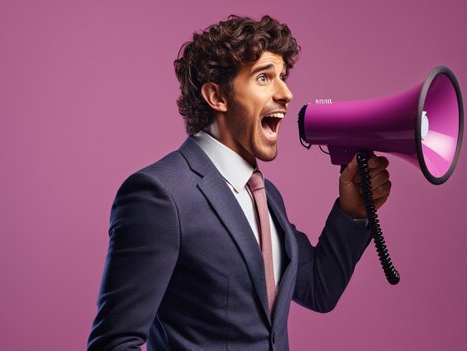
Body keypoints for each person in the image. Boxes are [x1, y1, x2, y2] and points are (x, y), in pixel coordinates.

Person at [88, 15, 391, 351]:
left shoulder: (266, 196)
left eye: (284, 77)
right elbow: (114, 343)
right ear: (217, 96)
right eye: (264, 77)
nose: (287, 93)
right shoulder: (160, 195)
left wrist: (353, 211)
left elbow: (319, 288)